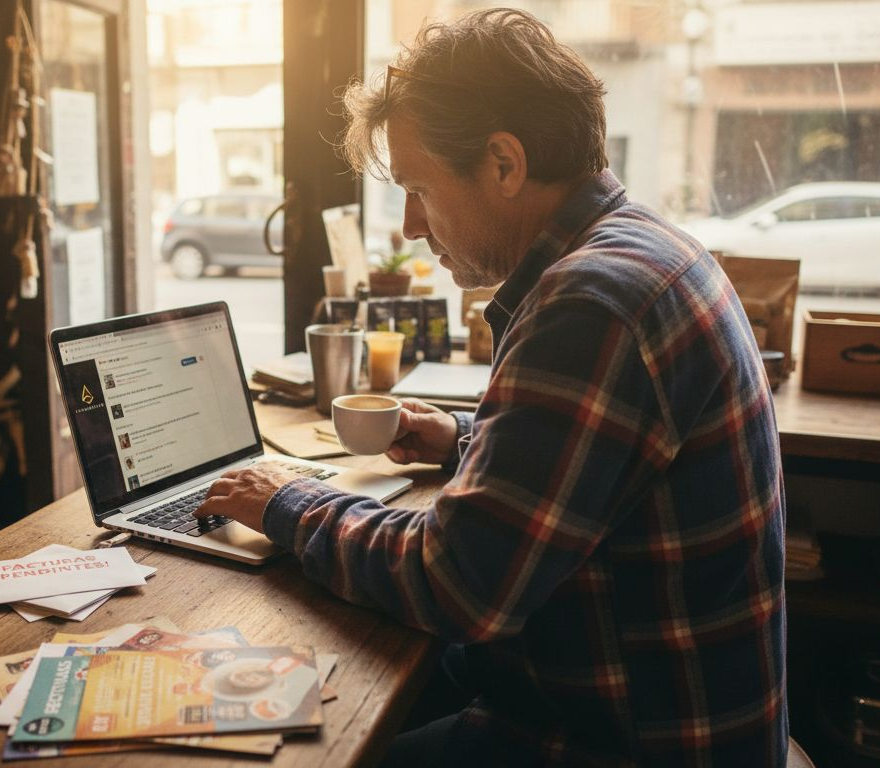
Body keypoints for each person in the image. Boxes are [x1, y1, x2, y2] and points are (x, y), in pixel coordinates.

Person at [195, 8, 786, 766]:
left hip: (620, 741)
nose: (410, 225)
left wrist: (282, 498)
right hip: (633, 703)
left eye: (418, 187)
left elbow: (456, 585)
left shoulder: (589, 303)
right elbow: (601, 476)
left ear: (503, 165)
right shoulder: (647, 246)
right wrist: (463, 442)